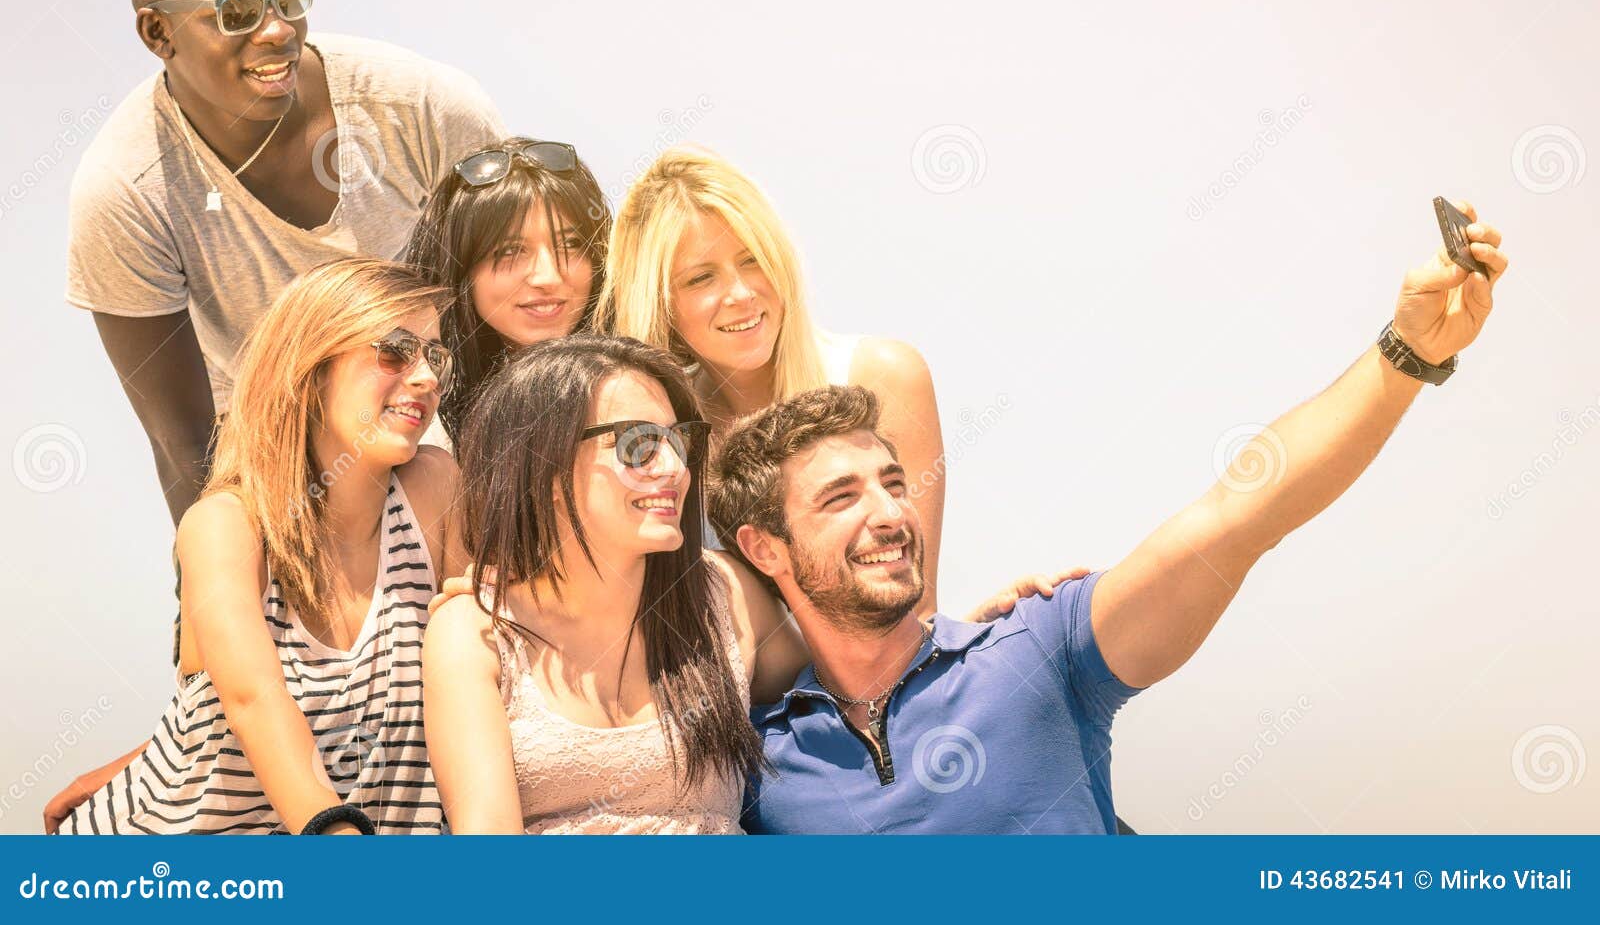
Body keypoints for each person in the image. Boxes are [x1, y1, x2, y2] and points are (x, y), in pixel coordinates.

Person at [709, 203, 1508, 833]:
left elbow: (1240, 513)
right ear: (763, 548)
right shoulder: (753, 765)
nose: (890, 512)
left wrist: (1406, 351)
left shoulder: (1034, 651)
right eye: (842, 496)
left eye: (893, 482)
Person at [421, 334, 1077, 832]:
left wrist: (969, 635)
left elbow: (860, 670)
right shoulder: (474, 631)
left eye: (679, 440)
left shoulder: (721, 595)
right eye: (637, 444)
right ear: (542, 459)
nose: (673, 466)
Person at [66, 0, 507, 533]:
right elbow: (183, 444)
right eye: (237, 12)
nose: (276, 28)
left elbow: (525, 311)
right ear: (159, 34)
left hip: (445, 466)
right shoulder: (127, 192)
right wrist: (228, 588)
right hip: (272, 496)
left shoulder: (421, 109)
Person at [54, 258, 463, 834]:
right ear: (311, 368)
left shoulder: (435, 489)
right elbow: (253, 703)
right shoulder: (224, 527)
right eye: (395, 350)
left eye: (436, 356)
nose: (426, 377)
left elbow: (480, 670)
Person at [597, 145, 947, 609]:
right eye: (701, 278)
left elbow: (916, 609)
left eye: (752, 259)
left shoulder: (885, 375)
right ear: (662, 305)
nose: (740, 294)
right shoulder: (662, 440)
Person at [402, 138, 611, 448]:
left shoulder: (643, 396)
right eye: (512, 250)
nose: (548, 277)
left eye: (571, 244)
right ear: (460, 270)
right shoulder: (421, 426)